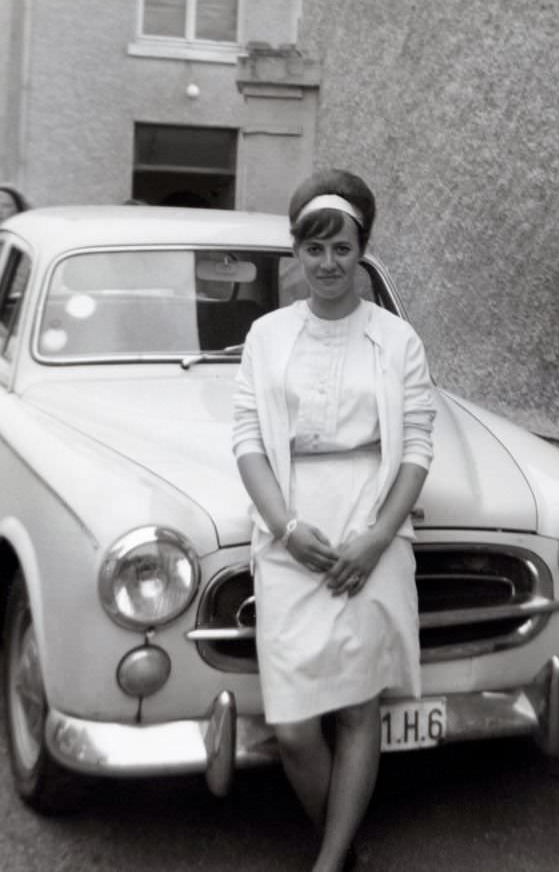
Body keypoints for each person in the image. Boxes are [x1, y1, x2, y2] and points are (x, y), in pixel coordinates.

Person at [232, 168, 436, 872]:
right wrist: (286, 528)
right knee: (292, 727)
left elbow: (415, 446)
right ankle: (343, 848)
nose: (327, 264)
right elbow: (248, 442)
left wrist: (378, 538)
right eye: (313, 249)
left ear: (362, 253)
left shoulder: (397, 341)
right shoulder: (265, 337)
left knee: (356, 708)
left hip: (371, 526)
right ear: (296, 253)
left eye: (342, 249)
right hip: (291, 530)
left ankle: (331, 862)